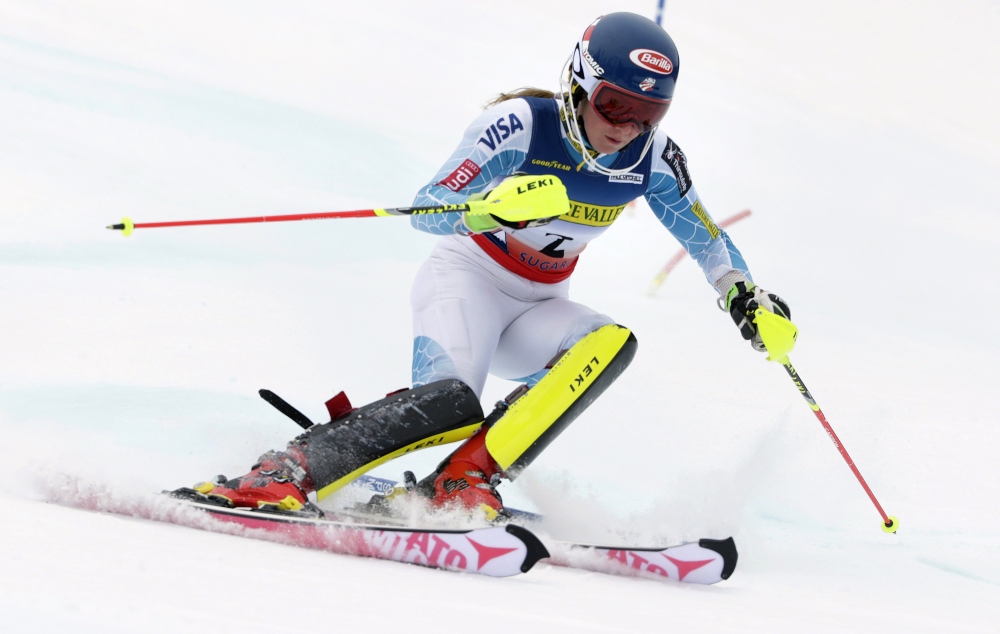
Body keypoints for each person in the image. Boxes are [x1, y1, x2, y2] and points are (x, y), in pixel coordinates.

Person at [176, 12, 789, 521]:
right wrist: (488, 210)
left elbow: (708, 239)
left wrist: (744, 297)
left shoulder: (653, 159)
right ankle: (284, 470)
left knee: (612, 343)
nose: (627, 129)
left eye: (648, 114)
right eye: (614, 105)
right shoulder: (521, 125)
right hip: (465, 282)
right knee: (452, 403)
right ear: (578, 83)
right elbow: (426, 208)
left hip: (539, 307)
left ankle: (456, 484)